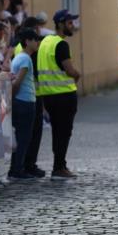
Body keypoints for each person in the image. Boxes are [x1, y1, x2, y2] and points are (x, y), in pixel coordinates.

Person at [37, 10, 80, 180]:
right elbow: (69, 69)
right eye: (70, 23)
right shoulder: (61, 45)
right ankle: (59, 167)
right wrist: (77, 75)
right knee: (64, 132)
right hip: (64, 95)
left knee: (57, 131)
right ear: (61, 24)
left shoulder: (46, 41)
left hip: (48, 96)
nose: (72, 26)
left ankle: (58, 165)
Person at [8, 28, 41, 181]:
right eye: (35, 40)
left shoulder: (18, 57)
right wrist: (12, 98)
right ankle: (17, 169)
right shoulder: (25, 59)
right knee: (24, 137)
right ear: (27, 42)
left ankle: (15, 168)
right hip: (24, 102)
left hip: (21, 101)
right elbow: (17, 82)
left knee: (20, 137)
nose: (38, 42)